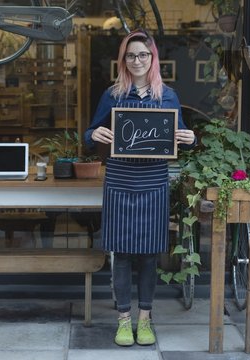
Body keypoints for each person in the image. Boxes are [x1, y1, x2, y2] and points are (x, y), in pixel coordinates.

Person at [84, 29, 196, 347]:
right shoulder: (113, 95)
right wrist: (95, 135)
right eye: (131, 55)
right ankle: (123, 321)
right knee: (121, 254)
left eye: (142, 55)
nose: (137, 61)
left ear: (152, 58)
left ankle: (144, 321)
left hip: (154, 183)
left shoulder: (168, 96)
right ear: (123, 59)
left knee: (149, 256)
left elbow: (182, 136)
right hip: (119, 181)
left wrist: (191, 138)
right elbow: (89, 132)